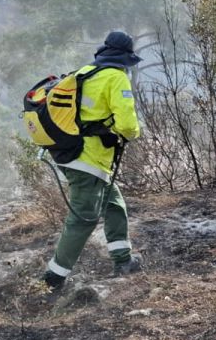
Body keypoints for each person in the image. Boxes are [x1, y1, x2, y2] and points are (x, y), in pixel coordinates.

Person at [42, 31, 144, 292]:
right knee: (84, 218)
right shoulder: (116, 77)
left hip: (72, 152)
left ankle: (123, 260)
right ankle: (53, 278)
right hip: (89, 159)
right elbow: (127, 124)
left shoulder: (86, 71)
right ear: (125, 57)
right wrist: (132, 133)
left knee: (114, 203)